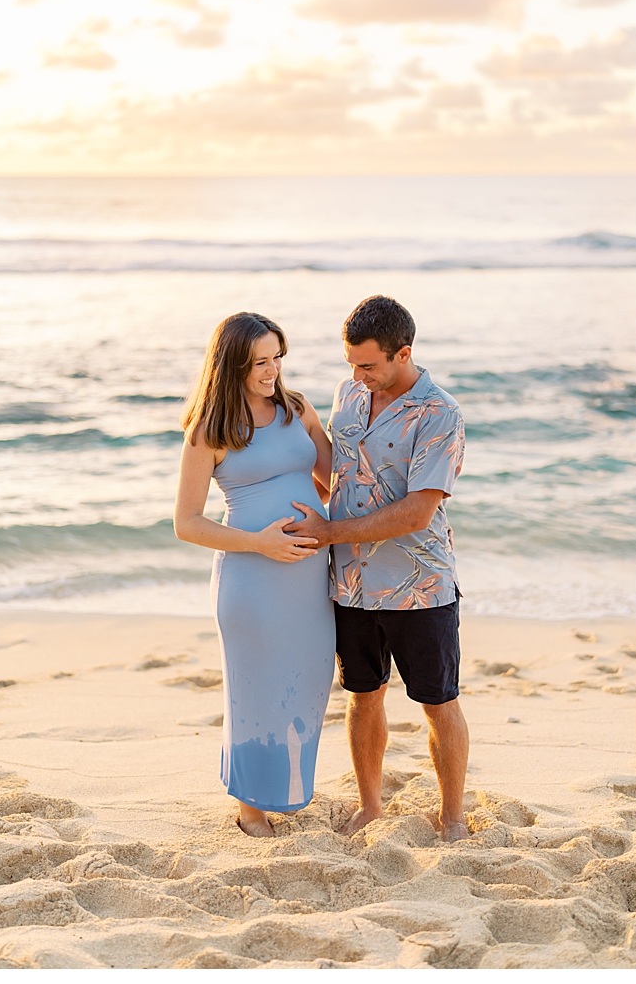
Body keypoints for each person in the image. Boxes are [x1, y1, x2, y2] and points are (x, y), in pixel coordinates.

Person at [286, 295, 470, 842]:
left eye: (368, 365)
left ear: (403, 353)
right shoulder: (349, 393)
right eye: (351, 364)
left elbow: (418, 510)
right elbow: (339, 476)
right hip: (351, 584)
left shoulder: (440, 414)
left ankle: (453, 816)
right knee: (362, 695)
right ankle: (371, 805)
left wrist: (330, 531)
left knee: (438, 702)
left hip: (420, 586)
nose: (357, 375)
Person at [173, 312, 336, 838]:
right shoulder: (209, 430)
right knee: (256, 688)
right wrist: (261, 543)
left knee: (310, 681)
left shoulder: (296, 407)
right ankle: (250, 808)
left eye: (277, 358)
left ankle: (286, 788)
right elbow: (187, 523)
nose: (273, 370)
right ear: (232, 365)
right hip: (251, 580)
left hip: (309, 580)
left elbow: (335, 478)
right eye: (260, 362)